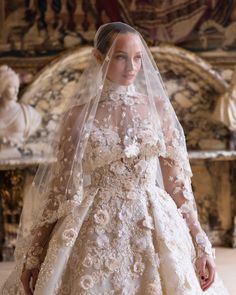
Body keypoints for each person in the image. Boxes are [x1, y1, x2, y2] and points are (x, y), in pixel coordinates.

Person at [1, 22, 229, 295]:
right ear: (100, 58)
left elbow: (177, 186)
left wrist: (201, 242)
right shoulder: (77, 116)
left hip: (152, 222)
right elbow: (60, 190)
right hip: (94, 225)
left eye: (137, 58)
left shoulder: (159, 110)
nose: (131, 66)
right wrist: (36, 254)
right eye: (121, 57)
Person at [0, 65, 41, 159]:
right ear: (2, 88)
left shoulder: (29, 113)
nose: (16, 91)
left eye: (17, 86)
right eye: (11, 87)